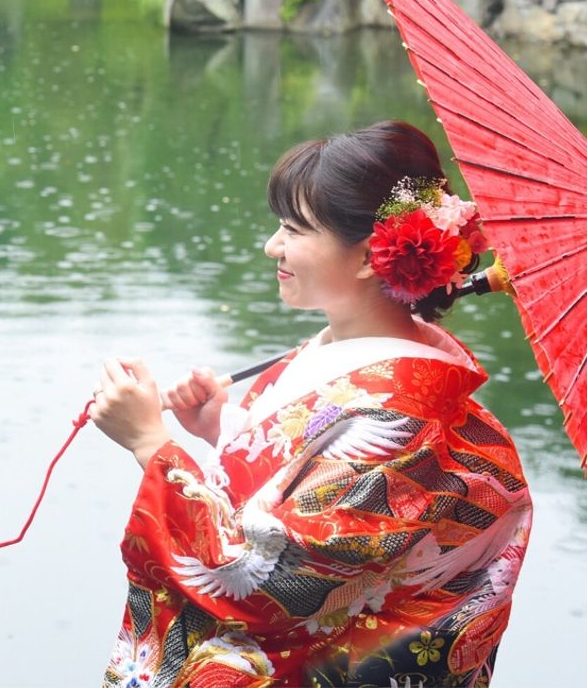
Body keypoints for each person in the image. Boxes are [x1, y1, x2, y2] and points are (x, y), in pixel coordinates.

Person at [90, 121, 532, 687]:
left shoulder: (404, 417)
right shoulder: (344, 352)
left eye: (294, 230)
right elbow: (301, 481)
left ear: (372, 256)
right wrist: (224, 427)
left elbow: (268, 584)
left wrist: (151, 445)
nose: (272, 246)